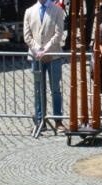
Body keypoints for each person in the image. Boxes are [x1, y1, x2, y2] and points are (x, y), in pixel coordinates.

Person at [24, 0, 67, 133]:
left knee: (55, 89)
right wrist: (39, 50)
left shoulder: (58, 10)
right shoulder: (29, 11)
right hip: (36, 57)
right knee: (38, 89)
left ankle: (58, 120)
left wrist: (46, 50)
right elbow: (27, 36)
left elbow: (58, 33)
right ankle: (40, 119)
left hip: (53, 56)